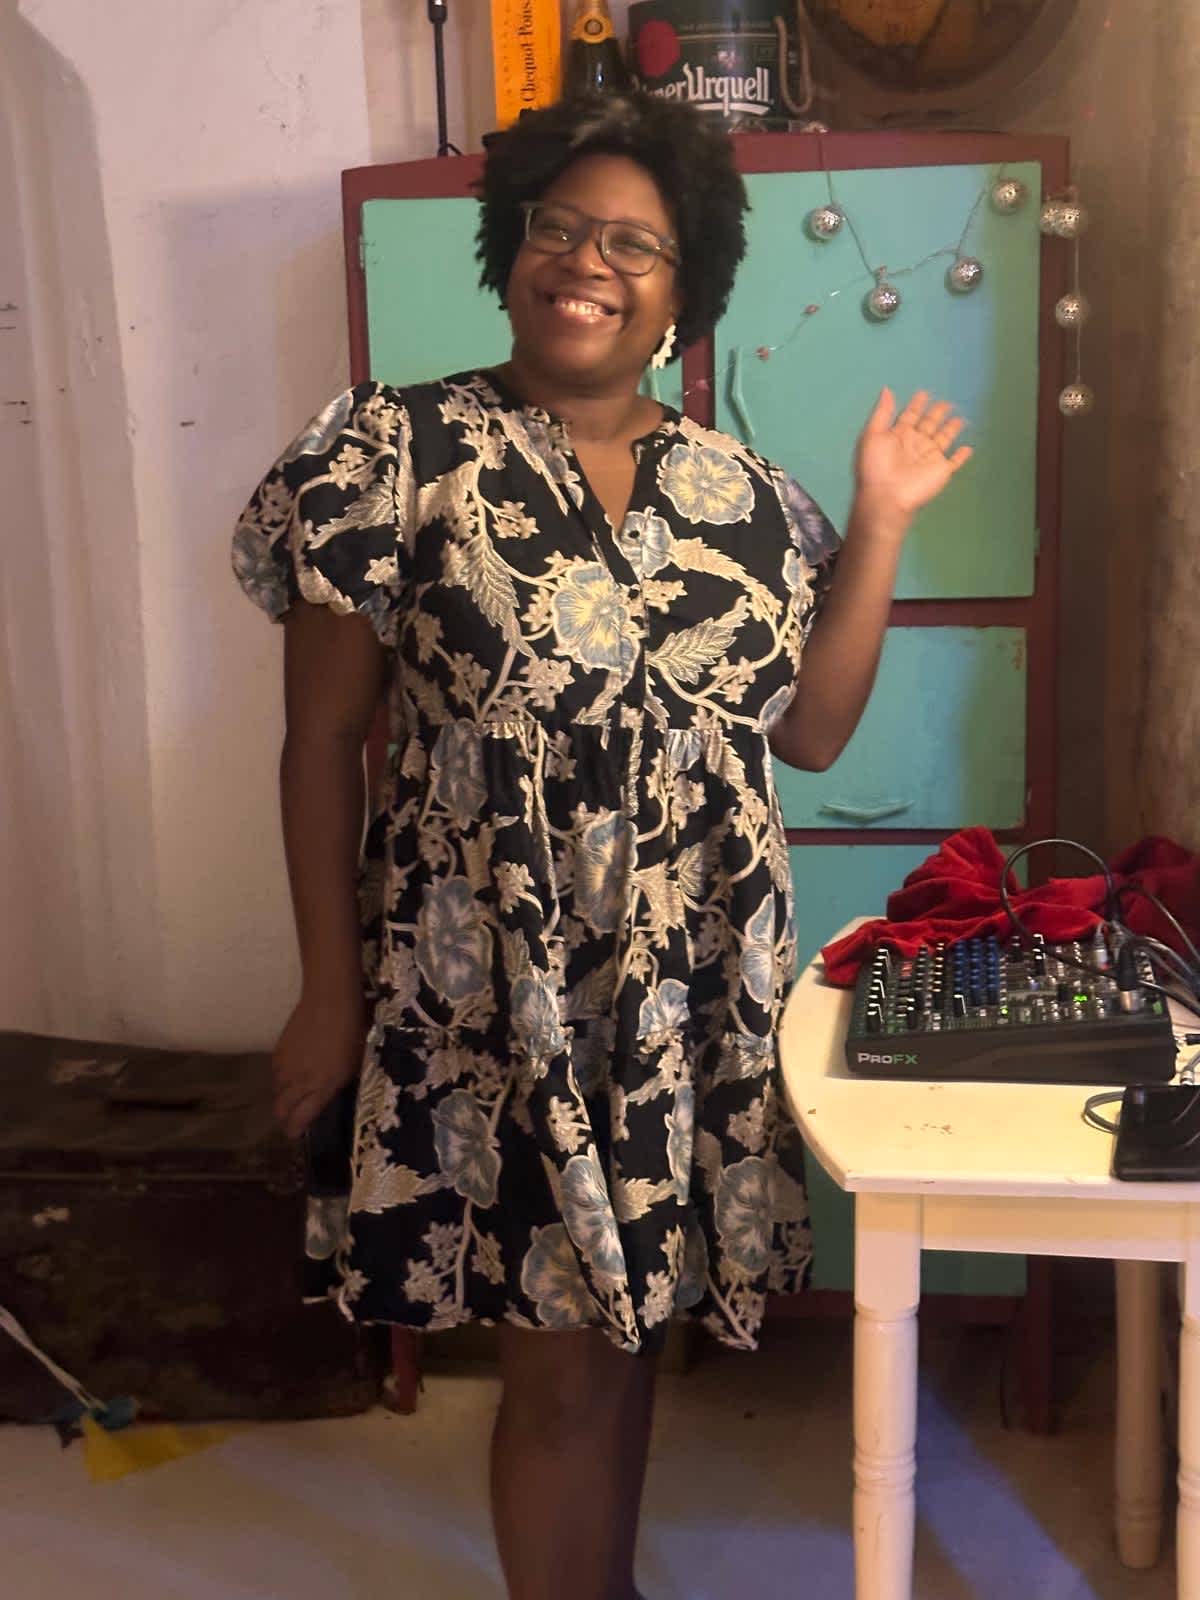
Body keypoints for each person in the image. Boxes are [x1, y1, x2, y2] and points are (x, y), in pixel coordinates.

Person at [232, 90, 970, 1600]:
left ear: (685, 288)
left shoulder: (744, 496)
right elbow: (320, 742)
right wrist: (325, 992)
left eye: (634, 242)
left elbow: (813, 733)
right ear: (509, 251)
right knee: (564, 1358)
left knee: (627, 1327)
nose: (587, 261)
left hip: (681, 988)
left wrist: (885, 522)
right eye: (559, 228)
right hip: (495, 986)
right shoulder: (392, 451)